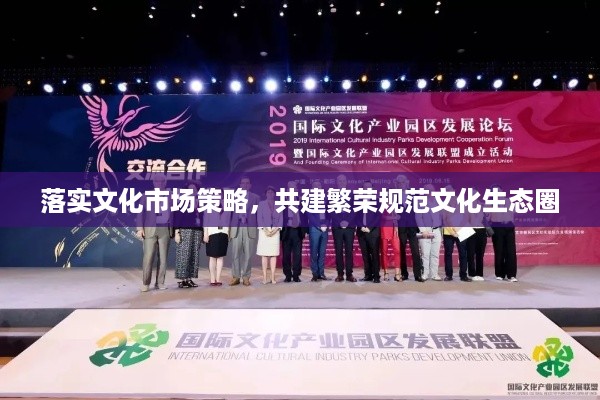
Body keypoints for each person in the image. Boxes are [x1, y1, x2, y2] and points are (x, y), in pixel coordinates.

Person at [136, 173, 175, 292]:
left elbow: (174, 213)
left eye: (162, 181)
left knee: (163, 259)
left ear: (165, 183)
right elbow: (140, 213)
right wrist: (139, 228)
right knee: (148, 258)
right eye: (157, 181)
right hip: (150, 229)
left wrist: (175, 229)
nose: (159, 183)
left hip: (165, 229)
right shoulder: (146, 195)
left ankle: (160, 282)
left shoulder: (170, 196)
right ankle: (145, 283)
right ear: (153, 183)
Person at [229, 176, 260, 286]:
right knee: (235, 254)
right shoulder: (233, 197)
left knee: (248, 255)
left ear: (250, 185)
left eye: (247, 183)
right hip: (236, 227)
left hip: (249, 227)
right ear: (240, 185)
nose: (245, 185)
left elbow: (256, 213)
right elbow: (230, 213)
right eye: (243, 183)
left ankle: (246, 277)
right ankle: (236, 277)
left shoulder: (255, 198)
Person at [173, 182, 203, 288]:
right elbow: (177, 217)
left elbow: (202, 218)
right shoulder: (182, 201)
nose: (192, 191)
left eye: (194, 189)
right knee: (184, 255)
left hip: (197, 231)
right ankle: (183, 280)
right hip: (185, 231)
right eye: (190, 189)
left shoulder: (200, 202)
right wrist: (177, 232)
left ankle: (189, 278)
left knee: (194, 255)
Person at [395, 175, 425, 282]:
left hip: (412, 227)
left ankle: (418, 275)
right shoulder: (394, 196)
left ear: (407, 182)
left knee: (415, 251)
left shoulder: (414, 194)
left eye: (403, 182)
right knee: (401, 251)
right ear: (396, 184)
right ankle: (404, 274)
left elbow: (419, 211)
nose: (401, 184)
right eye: (399, 183)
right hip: (401, 227)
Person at [488, 185, 518, 282]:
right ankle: (500, 274)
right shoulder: (490, 203)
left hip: (509, 227)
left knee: (511, 251)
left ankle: (511, 275)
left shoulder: (509, 201)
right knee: (499, 251)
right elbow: (488, 217)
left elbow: (515, 212)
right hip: (497, 227)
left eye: (498, 190)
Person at [441, 185, 472, 282]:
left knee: (463, 253)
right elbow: (444, 220)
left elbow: (466, 217)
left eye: (450, 190)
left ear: (454, 190)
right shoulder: (444, 204)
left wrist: (459, 229)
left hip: (461, 230)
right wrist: (452, 231)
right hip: (448, 232)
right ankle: (448, 275)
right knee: (448, 253)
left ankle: (463, 275)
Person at [331, 174, 357, 282]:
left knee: (349, 251)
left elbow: (355, 210)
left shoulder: (352, 195)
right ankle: (340, 274)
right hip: (337, 227)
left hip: (349, 227)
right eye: (339, 181)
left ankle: (349, 274)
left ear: (346, 182)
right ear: (337, 182)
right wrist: (340, 221)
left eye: (343, 181)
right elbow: (331, 210)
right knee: (338, 251)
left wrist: (347, 221)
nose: (341, 182)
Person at [281, 180, 307, 282]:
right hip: (286, 231)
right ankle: (288, 275)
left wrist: (305, 230)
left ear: (296, 189)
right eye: (290, 188)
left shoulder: (301, 200)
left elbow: (304, 216)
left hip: (298, 231)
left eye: (294, 188)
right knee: (286, 255)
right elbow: (278, 215)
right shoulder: (283, 200)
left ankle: (296, 275)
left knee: (297, 255)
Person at [415, 184, 443, 281]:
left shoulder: (438, 201)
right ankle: (425, 274)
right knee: (425, 254)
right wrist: (423, 230)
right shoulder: (420, 202)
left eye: (432, 190)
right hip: (426, 230)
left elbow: (441, 216)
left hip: (437, 230)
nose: (430, 192)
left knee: (435, 254)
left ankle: (434, 274)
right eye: (428, 190)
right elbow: (418, 217)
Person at [356, 181, 382, 283]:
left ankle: (376, 276)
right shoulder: (358, 200)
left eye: (369, 187)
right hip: (361, 232)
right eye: (365, 188)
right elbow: (356, 216)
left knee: (374, 254)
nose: (367, 189)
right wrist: (362, 226)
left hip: (373, 232)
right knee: (365, 255)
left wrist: (369, 228)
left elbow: (378, 217)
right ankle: (368, 275)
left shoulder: (377, 201)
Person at [257, 186, 283, 284]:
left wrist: (276, 229)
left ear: (275, 194)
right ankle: (264, 277)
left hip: (275, 231)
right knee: (264, 255)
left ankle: (272, 277)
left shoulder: (279, 204)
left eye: (272, 192)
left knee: (273, 255)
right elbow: (259, 218)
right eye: (268, 192)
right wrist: (265, 230)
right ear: (266, 194)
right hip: (264, 231)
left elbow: (281, 218)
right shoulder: (261, 204)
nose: (270, 194)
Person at [203, 200, 232, 286]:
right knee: (212, 257)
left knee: (220, 257)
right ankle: (212, 279)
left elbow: (228, 221)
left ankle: (218, 279)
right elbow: (206, 221)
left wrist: (229, 233)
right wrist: (205, 233)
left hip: (224, 233)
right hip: (212, 233)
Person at [307, 180, 330, 282]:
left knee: (322, 252)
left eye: (318, 185)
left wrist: (326, 224)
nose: (317, 187)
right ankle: (315, 274)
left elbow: (329, 213)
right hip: (314, 228)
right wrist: (319, 225)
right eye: (315, 186)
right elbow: (309, 214)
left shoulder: (326, 198)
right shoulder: (309, 198)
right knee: (314, 252)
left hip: (325, 228)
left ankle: (321, 273)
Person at [466, 189, 488, 281]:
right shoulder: (466, 205)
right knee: (470, 253)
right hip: (470, 230)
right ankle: (472, 274)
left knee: (480, 253)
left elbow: (488, 217)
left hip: (481, 231)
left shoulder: (482, 205)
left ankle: (480, 273)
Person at [379, 208, 401, 281]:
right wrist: (394, 217)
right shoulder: (382, 203)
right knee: (384, 251)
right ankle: (386, 273)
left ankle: (397, 274)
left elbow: (398, 216)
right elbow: (382, 216)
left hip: (394, 228)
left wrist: (396, 225)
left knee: (397, 251)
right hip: (384, 227)